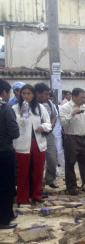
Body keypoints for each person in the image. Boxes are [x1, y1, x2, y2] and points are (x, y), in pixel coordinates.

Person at [12, 84, 52, 206]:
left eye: (29, 93)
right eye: (23, 93)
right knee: (23, 172)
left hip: (38, 143)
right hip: (22, 144)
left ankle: (37, 195)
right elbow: (14, 125)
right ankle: (22, 198)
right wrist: (21, 115)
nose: (26, 96)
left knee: (38, 172)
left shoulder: (40, 108)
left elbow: (48, 123)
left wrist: (43, 127)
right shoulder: (14, 108)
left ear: (33, 95)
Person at [59, 88, 85, 195]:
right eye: (81, 98)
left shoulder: (84, 107)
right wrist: (72, 114)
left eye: (84, 98)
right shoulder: (65, 108)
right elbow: (63, 123)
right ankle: (71, 187)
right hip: (72, 138)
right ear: (74, 96)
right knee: (70, 163)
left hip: (84, 138)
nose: (83, 100)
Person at [0, 79, 20, 229]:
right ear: (4, 93)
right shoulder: (6, 109)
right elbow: (15, 132)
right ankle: (4, 218)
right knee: (7, 186)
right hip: (4, 151)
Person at [35, 83, 59, 189]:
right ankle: (40, 185)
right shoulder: (31, 105)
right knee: (38, 163)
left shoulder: (49, 104)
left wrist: (52, 124)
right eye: (46, 94)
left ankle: (49, 178)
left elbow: (54, 116)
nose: (48, 97)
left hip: (49, 135)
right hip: (36, 136)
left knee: (52, 160)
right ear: (38, 94)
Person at [48, 90, 65, 170]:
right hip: (47, 134)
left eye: (51, 97)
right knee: (49, 155)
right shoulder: (42, 108)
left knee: (59, 152)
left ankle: (65, 170)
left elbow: (62, 120)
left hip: (57, 134)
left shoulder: (59, 108)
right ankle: (54, 170)